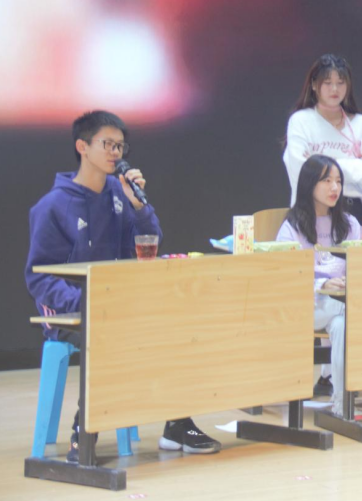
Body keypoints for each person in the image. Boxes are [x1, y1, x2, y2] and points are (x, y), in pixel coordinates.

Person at [24, 111, 220, 462]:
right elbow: (39, 277)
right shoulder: (52, 206)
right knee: (107, 334)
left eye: (120, 146)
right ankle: (83, 433)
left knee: (174, 326)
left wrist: (138, 206)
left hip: (118, 304)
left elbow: (149, 244)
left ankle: (177, 423)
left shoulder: (120, 193)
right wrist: (86, 301)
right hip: (71, 310)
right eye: (107, 144)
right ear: (82, 146)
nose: (115, 152)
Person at [276, 155, 361, 415]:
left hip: (339, 307)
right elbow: (286, 277)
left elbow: (360, 267)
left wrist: (349, 283)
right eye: (326, 181)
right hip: (305, 306)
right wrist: (324, 283)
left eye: (338, 181)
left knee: (343, 324)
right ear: (309, 184)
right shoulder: (292, 227)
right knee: (350, 310)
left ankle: (341, 405)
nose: (335, 187)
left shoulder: (350, 225)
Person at [284, 54, 362, 217]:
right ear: (314, 85)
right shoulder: (300, 121)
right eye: (327, 82)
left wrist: (321, 165)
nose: (334, 89)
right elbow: (301, 170)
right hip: (312, 209)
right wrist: (356, 164)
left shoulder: (360, 123)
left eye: (340, 82)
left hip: (352, 208)